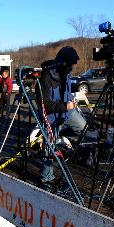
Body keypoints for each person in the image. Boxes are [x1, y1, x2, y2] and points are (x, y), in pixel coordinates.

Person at [35, 46, 86, 188]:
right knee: (49, 146)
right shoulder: (46, 78)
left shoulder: (66, 73)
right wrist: (65, 106)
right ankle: (46, 177)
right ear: (63, 62)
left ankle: (63, 142)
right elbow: (46, 105)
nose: (72, 68)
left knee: (84, 128)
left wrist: (72, 101)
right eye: (70, 64)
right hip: (51, 117)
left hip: (68, 113)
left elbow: (66, 93)